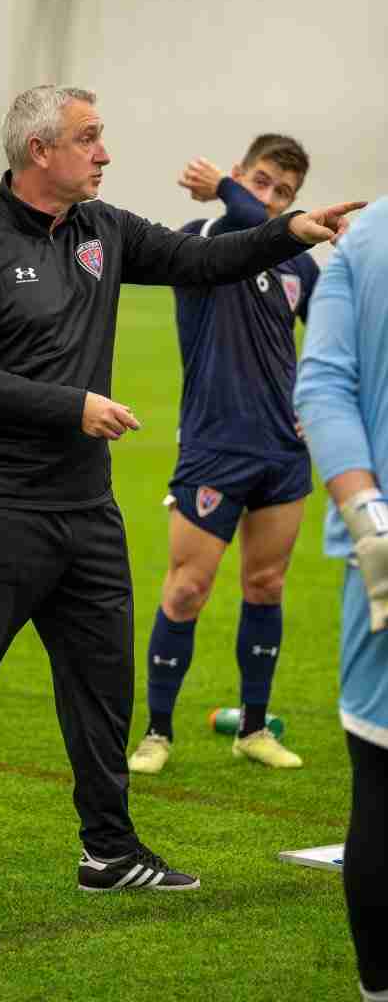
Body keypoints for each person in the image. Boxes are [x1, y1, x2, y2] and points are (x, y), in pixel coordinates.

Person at [0, 84, 361, 915]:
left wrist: (283, 233)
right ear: (40, 153)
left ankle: (108, 850)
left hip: (85, 511)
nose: (105, 153)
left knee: (102, 685)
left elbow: (201, 260)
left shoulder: (106, 231)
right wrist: (75, 406)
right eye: (90, 138)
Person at [129, 135, 319, 776]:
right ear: (238, 176)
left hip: (281, 452)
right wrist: (239, 202)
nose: (270, 200)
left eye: (285, 193)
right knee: (187, 591)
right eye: (261, 182)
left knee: (266, 585)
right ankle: (157, 734)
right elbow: (246, 223)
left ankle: (255, 729)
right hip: (213, 446)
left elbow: (330, 336)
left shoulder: (300, 264)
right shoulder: (199, 239)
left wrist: (313, 405)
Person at [294, 196, 388, 1002]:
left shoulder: (366, 240)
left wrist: (371, 523)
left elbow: (323, 388)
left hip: (381, 550)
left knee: (383, 784)